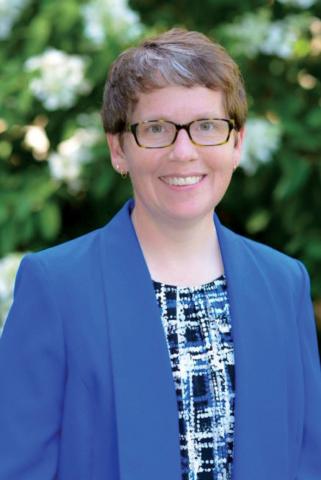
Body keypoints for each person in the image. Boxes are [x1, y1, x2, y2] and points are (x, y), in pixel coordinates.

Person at [0, 28, 320, 480]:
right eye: (156, 129)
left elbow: (309, 460)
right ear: (118, 149)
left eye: (207, 126)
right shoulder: (56, 287)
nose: (183, 152)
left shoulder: (284, 283)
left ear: (237, 142)